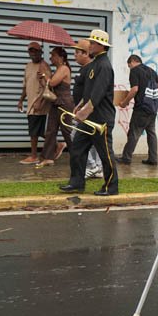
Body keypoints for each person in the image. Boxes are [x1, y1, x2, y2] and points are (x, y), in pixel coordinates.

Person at [60, 29, 118, 196]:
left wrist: (85, 111)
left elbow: (98, 93)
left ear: (101, 46)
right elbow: (89, 92)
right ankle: (77, 183)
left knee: (105, 154)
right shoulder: (94, 64)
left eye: (93, 43)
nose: (90, 45)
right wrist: (80, 105)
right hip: (90, 118)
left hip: (101, 118)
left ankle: (111, 187)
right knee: (77, 149)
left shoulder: (104, 66)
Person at [117, 54, 158, 165]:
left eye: (129, 66)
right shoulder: (151, 71)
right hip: (152, 108)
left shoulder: (134, 71)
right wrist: (153, 99)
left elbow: (134, 89)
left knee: (133, 133)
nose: (130, 68)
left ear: (132, 61)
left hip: (141, 109)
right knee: (151, 133)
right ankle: (153, 159)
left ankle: (126, 158)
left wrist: (124, 103)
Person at [70, 39, 103, 179]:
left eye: (77, 52)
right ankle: (97, 167)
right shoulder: (85, 68)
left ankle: (92, 165)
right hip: (83, 109)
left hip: (88, 111)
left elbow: (91, 93)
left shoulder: (92, 69)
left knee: (75, 136)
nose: (74, 55)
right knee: (94, 141)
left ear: (85, 54)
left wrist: (83, 108)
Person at [36, 46, 73, 168]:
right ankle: (47, 157)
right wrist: (41, 78)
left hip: (64, 103)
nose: (51, 57)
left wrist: (44, 75)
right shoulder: (57, 70)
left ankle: (78, 155)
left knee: (67, 131)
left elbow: (52, 83)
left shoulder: (64, 68)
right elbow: (49, 87)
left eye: (53, 55)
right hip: (55, 102)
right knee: (51, 130)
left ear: (61, 57)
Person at [17, 42, 51, 165]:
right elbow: (25, 85)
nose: (34, 54)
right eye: (31, 51)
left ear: (41, 52)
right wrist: (21, 100)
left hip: (39, 103)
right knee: (39, 131)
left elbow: (48, 86)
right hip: (31, 102)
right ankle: (56, 145)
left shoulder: (44, 66)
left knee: (33, 131)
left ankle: (34, 156)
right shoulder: (28, 66)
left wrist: (40, 102)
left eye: (36, 51)